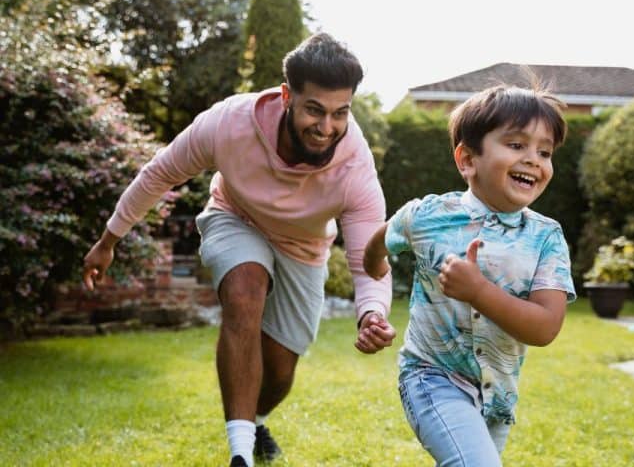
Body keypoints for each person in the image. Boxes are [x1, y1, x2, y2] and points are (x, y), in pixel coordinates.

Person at [82, 33, 396, 467]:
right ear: (287, 96)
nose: (327, 128)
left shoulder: (355, 166)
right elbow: (159, 174)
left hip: (304, 247)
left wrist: (372, 312)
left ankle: (257, 419)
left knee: (281, 370)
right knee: (244, 292)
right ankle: (240, 455)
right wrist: (108, 240)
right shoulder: (228, 124)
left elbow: (368, 256)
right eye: (314, 110)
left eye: (340, 113)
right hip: (236, 216)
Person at [364, 75, 576, 466]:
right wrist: (374, 263)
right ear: (467, 160)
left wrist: (479, 291)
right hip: (431, 377)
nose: (533, 159)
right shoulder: (428, 216)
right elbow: (385, 234)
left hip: (497, 396)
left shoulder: (546, 237)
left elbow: (546, 327)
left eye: (545, 152)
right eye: (516, 145)